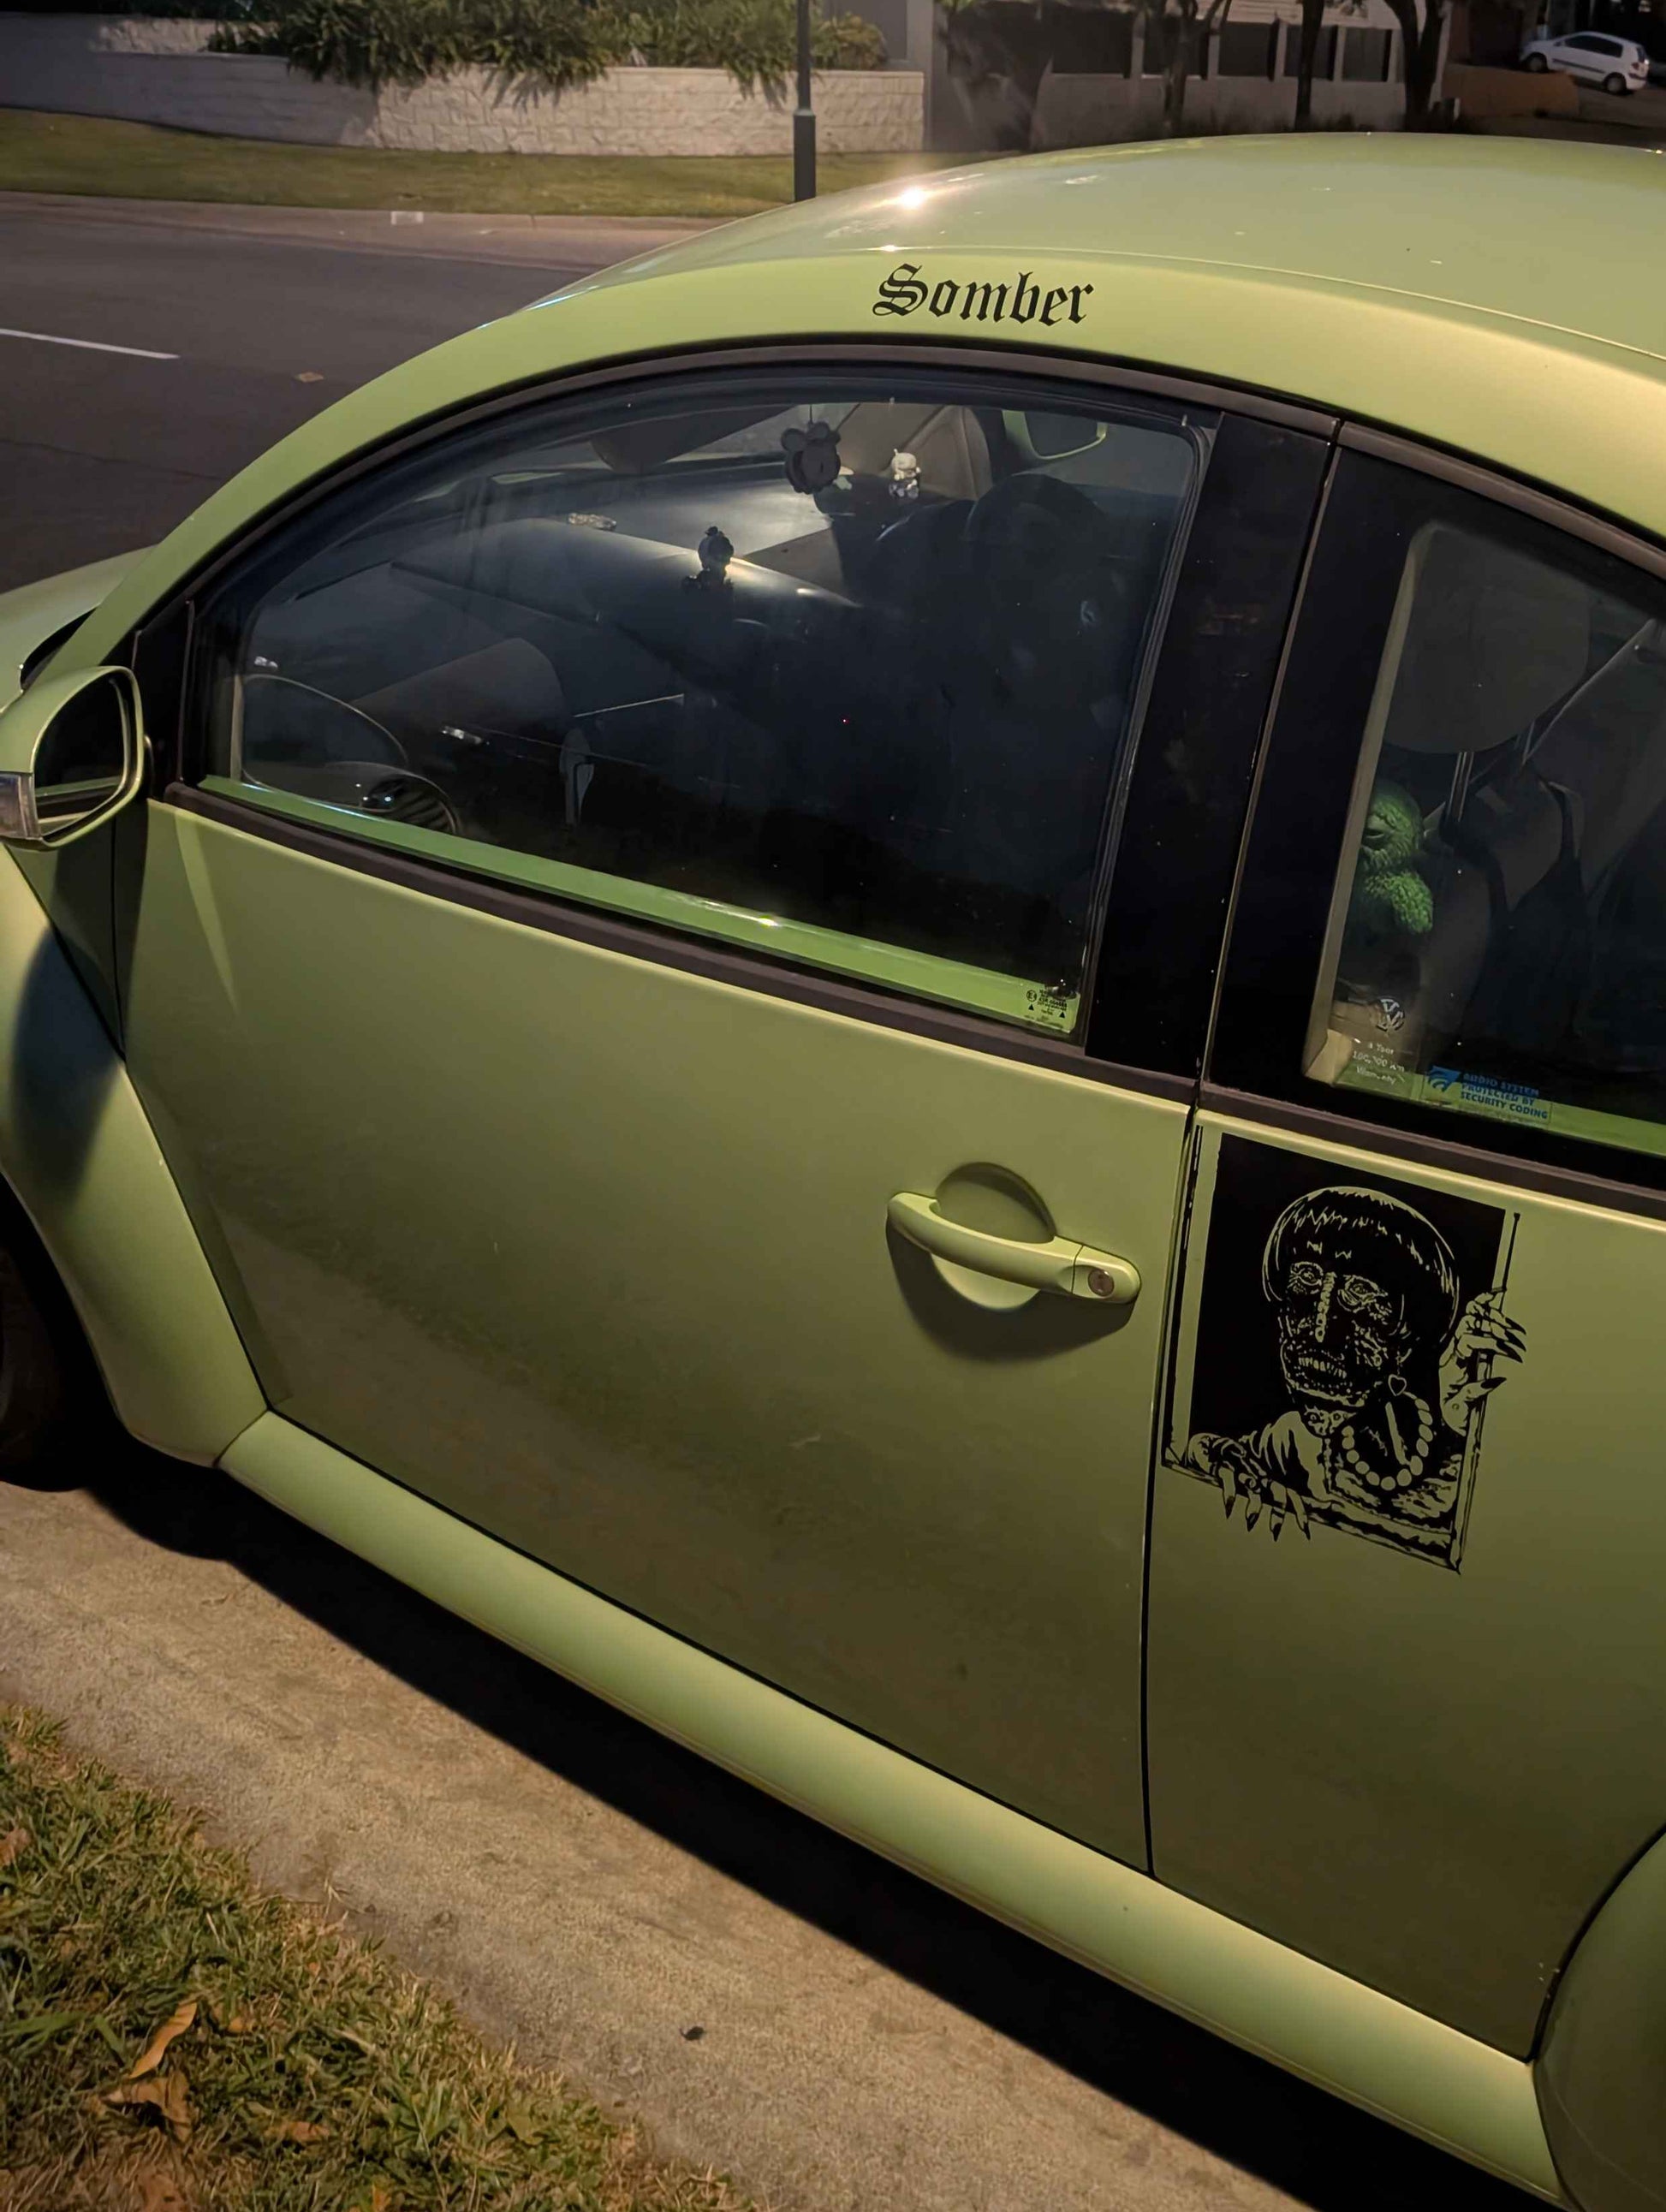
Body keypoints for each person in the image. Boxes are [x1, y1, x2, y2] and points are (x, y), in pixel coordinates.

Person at [1184, 1186, 1525, 1542]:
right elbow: (1206, 1450)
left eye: (1360, 1292)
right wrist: (1220, 1461)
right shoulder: (1296, 1441)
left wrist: (1462, 1437)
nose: (1320, 1330)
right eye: (1306, 1280)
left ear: (1409, 1338)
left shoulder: (1456, 1448)